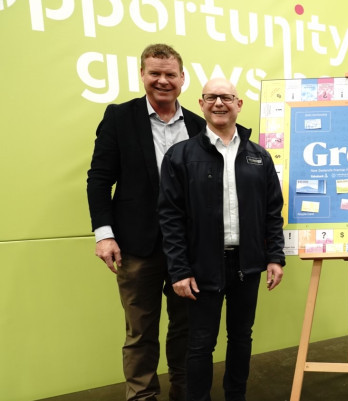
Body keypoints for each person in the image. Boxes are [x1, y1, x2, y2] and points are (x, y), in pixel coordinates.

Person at [86, 43, 206, 401]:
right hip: (137, 246)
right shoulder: (120, 118)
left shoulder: (200, 126)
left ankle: (185, 393)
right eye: (155, 73)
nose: (163, 81)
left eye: (170, 74)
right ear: (142, 75)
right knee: (140, 331)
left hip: (188, 249)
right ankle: (142, 397)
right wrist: (104, 235)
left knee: (187, 329)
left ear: (183, 78)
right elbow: (98, 179)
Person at [158, 77, 285, 401]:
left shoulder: (259, 157)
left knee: (242, 338)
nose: (219, 103)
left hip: (248, 264)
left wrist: (275, 257)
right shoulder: (180, 156)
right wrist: (179, 270)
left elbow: (272, 211)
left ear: (239, 105)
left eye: (227, 97)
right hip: (201, 268)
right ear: (201, 104)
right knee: (200, 343)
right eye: (211, 97)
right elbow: (170, 218)